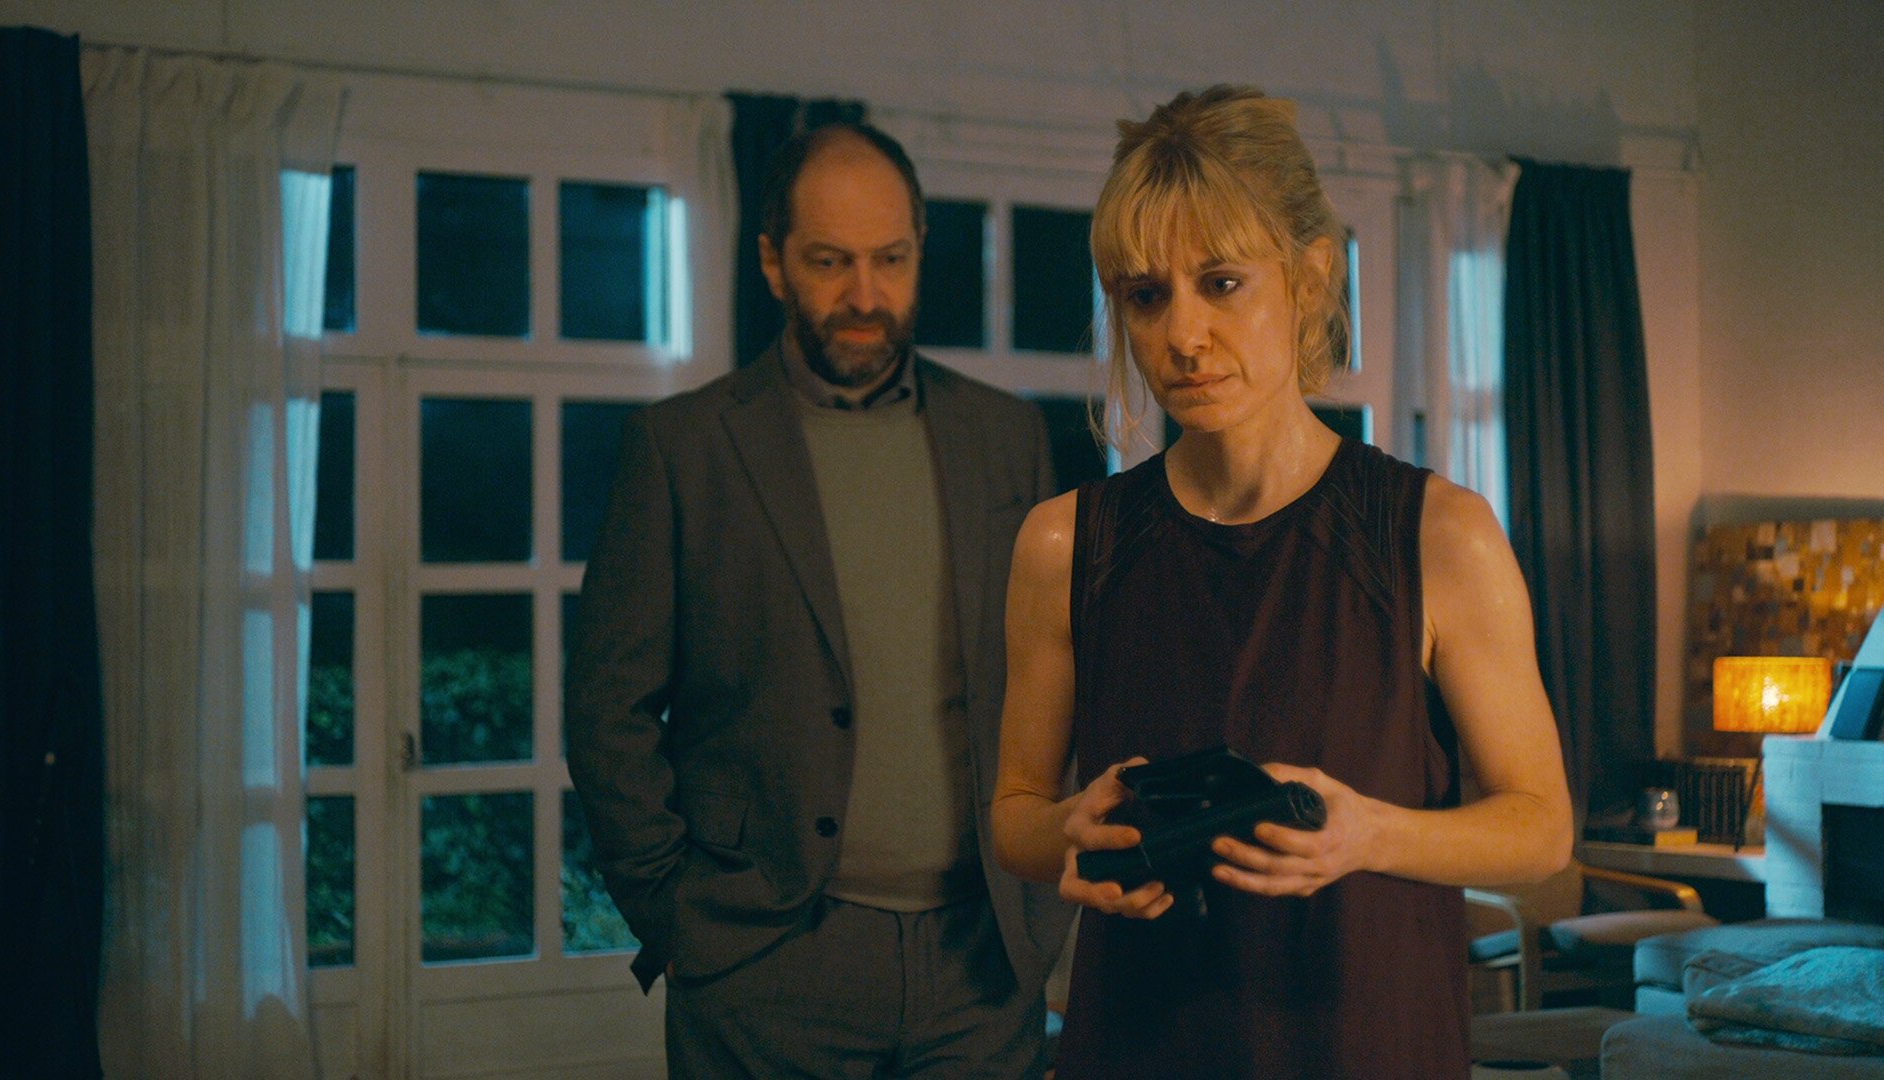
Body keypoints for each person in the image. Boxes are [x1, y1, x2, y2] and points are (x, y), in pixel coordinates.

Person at [990, 86, 1573, 1079]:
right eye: (1146, 295)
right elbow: (1016, 814)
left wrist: (1369, 835)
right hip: (1139, 1046)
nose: (1183, 335)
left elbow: (1542, 827)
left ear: (1309, 276)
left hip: (1365, 1043)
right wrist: (1069, 832)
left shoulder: (1439, 535)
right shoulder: (1064, 544)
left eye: (1221, 283)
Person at [566, 120, 1074, 1078]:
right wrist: (673, 916)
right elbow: (607, 710)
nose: (866, 296)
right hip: (765, 963)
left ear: (920, 251)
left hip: (982, 965)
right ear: (772, 262)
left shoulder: (1007, 437)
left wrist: (1043, 916)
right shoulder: (684, 449)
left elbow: (1053, 678)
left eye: (891, 259)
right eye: (831, 261)